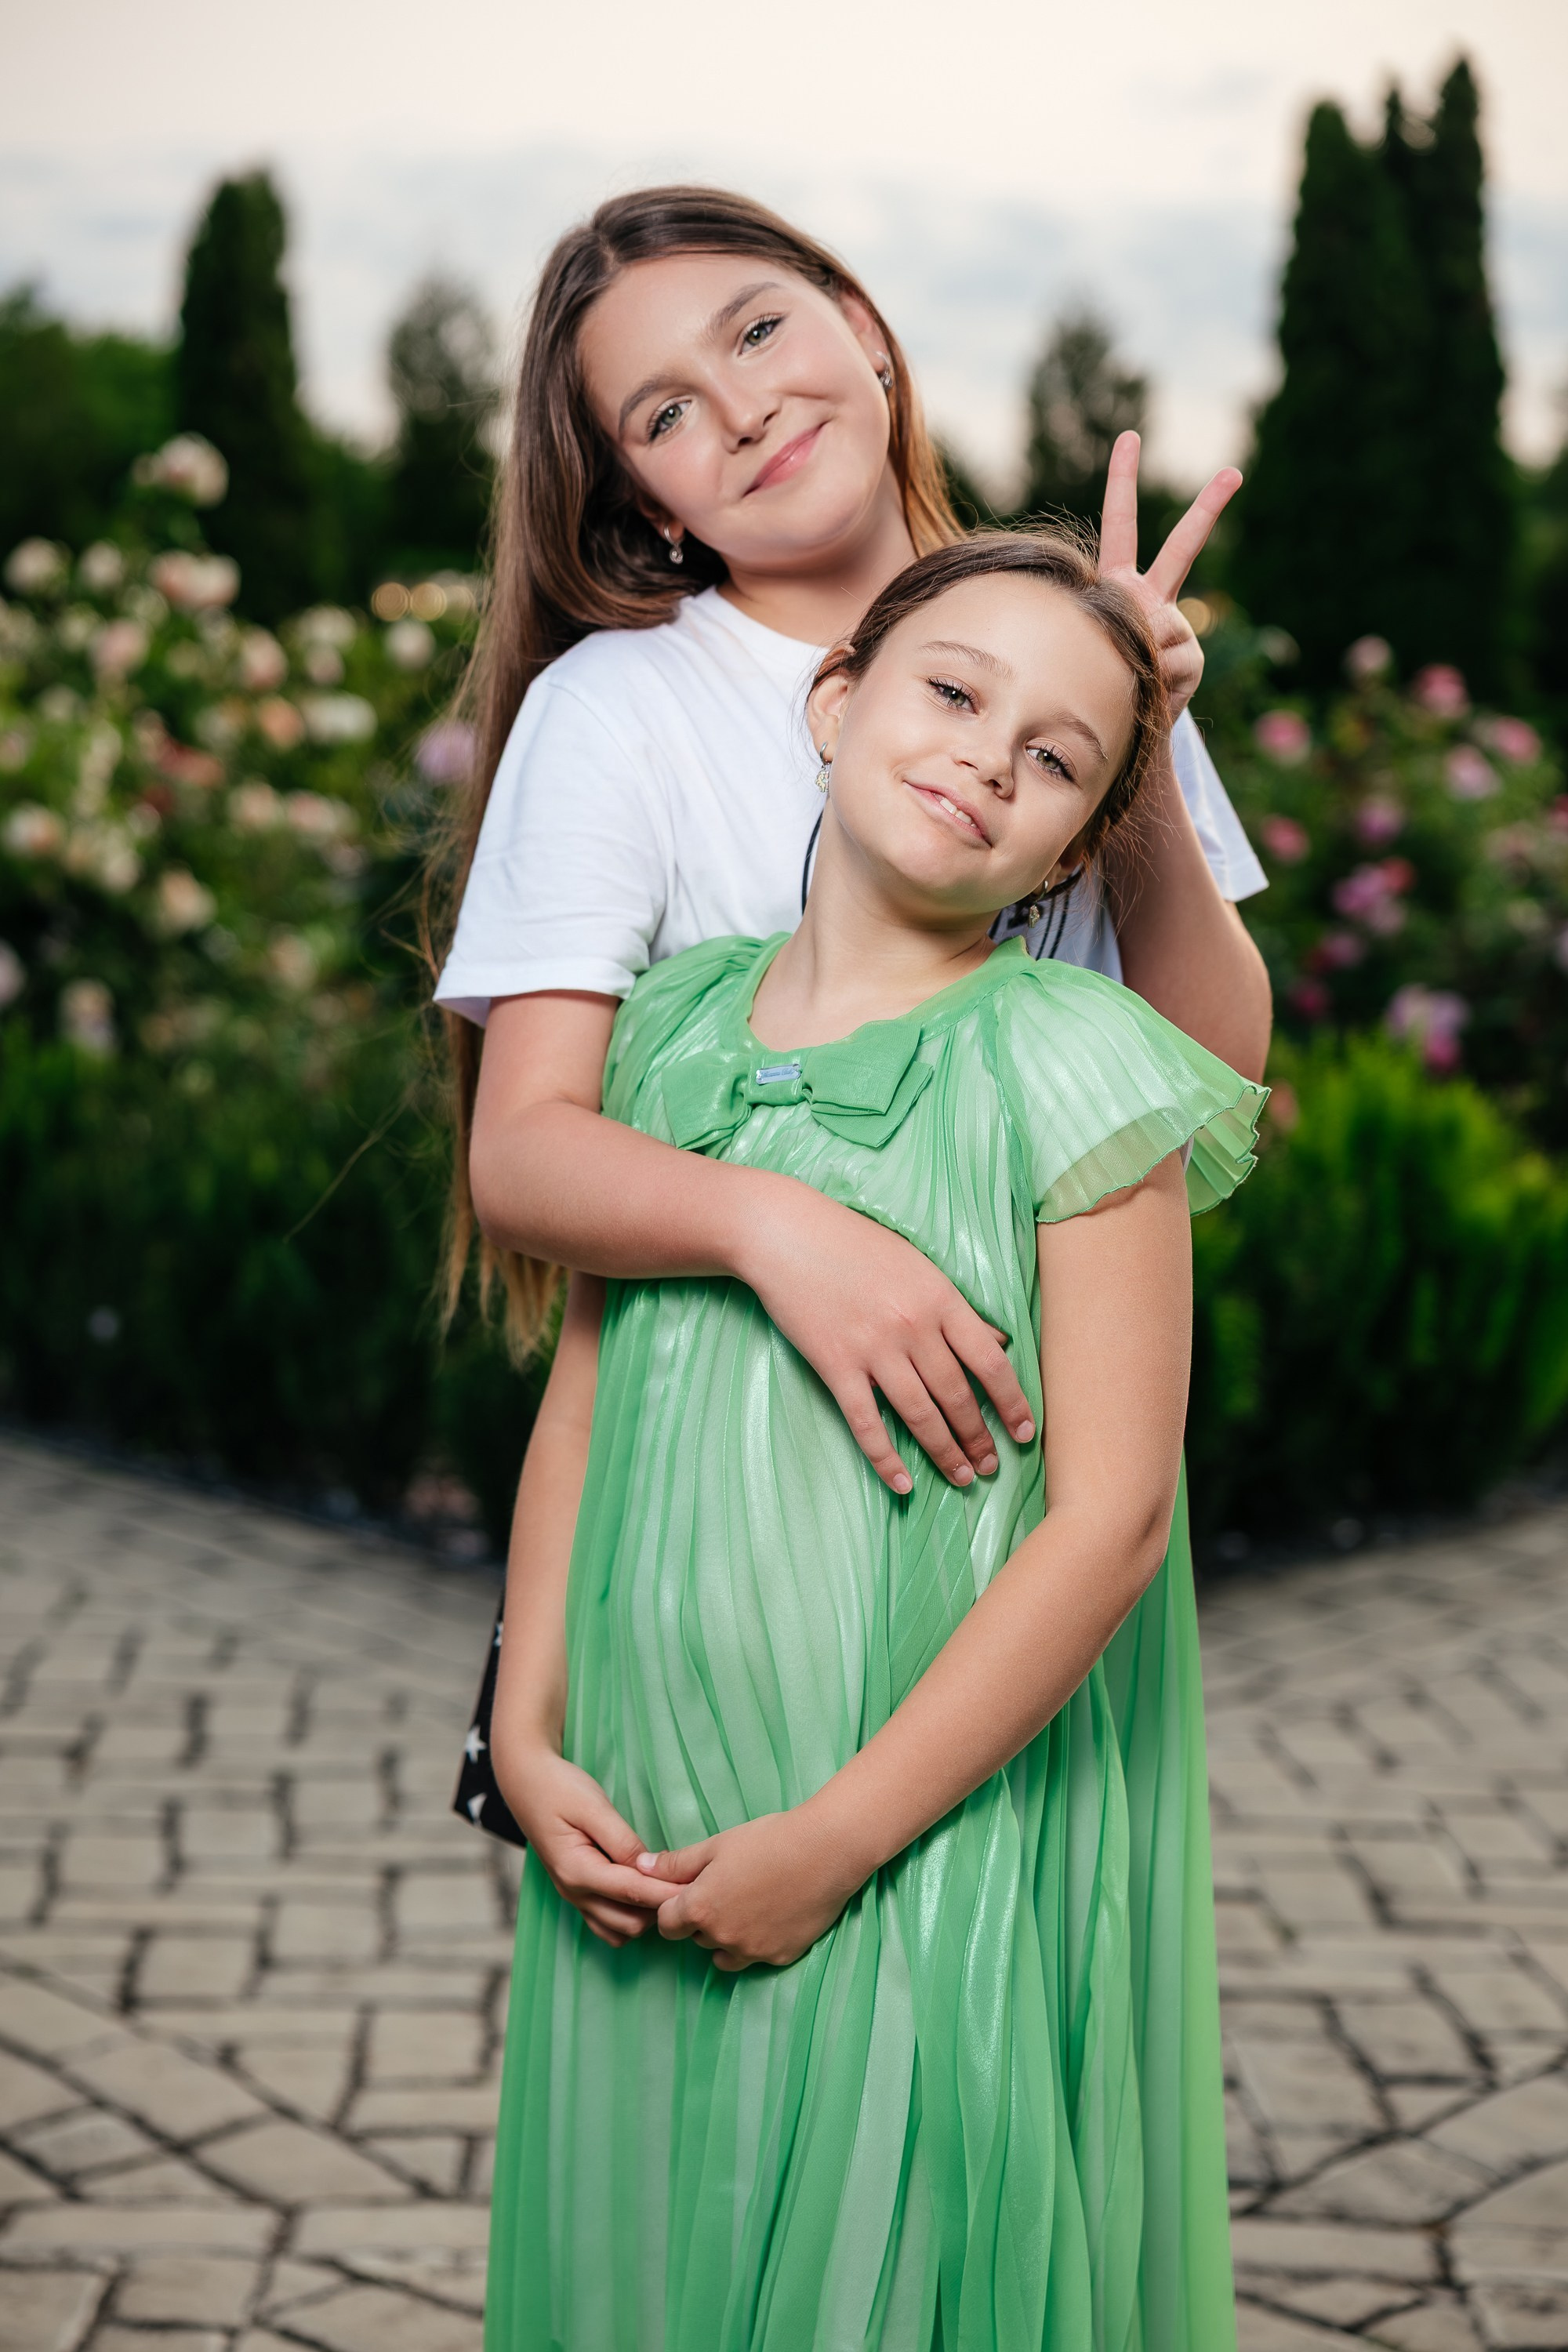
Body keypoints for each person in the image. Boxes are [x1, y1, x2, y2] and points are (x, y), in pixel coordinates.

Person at [484, 531, 1264, 2349]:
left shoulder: (1077, 1066)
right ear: (834, 705)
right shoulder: (667, 1039)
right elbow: (586, 1387)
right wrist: (525, 1730)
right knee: (660, 2262)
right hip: (642, 1794)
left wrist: (838, 1838)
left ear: (1076, 850)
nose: (992, 753)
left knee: (892, 2256)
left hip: (905, 1822)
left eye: (1060, 757)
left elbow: (1113, 1522)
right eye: (953, 690)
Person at [434, 185, 1269, 1504]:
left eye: (757, 333)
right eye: (665, 413)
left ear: (866, 329)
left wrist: (1141, 739)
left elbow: (1214, 1073)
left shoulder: (1078, 650)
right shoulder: (614, 709)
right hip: (705, 1488)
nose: (743, 408)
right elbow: (524, 1154)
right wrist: (784, 1232)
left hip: (1011, 1504)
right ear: (645, 501)